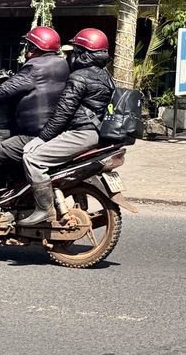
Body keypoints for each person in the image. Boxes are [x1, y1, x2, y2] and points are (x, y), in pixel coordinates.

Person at [19, 28, 115, 226]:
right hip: (96, 133)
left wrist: (41, 139)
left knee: (32, 157)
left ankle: (44, 209)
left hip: (81, 133)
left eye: (74, 50)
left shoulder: (79, 77)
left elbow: (62, 114)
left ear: (82, 53)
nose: (70, 55)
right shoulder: (105, 76)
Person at [0, 27, 69, 188]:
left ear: (34, 48)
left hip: (32, 135)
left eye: (28, 46)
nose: (26, 51)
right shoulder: (62, 64)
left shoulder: (34, 67)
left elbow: (3, 91)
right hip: (53, 130)